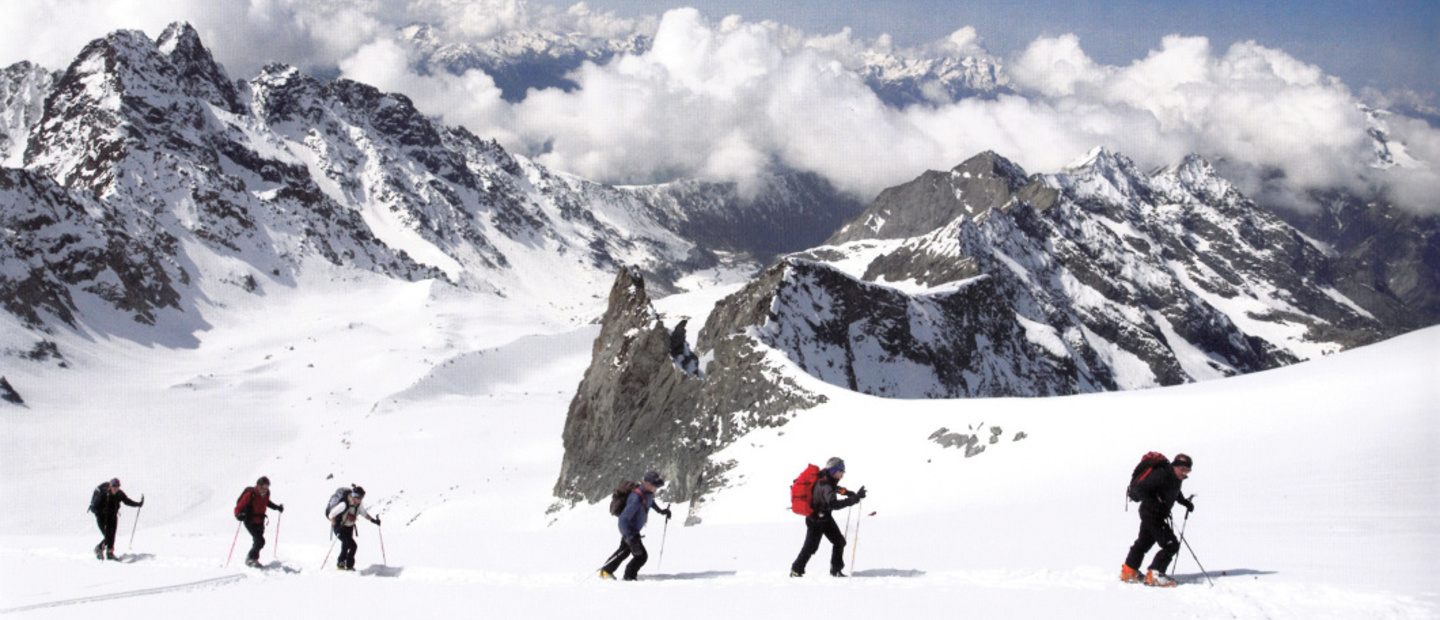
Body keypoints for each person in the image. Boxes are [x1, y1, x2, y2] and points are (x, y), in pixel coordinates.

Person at [1121, 453, 1195, 587]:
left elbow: (1174, 491)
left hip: (1154, 513)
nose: (1184, 473)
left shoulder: (1174, 477)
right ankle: (1155, 574)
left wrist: (1184, 502)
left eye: (1187, 471)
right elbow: (1140, 489)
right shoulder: (1162, 474)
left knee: (1143, 543)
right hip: (1152, 514)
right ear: (1175, 466)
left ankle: (1129, 571)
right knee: (1171, 545)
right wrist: (1156, 504)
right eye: (1182, 469)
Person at [791, 457, 865, 577]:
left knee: (839, 542)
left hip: (824, 517)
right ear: (834, 471)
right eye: (841, 471)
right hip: (816, 520)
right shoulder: (825, 484)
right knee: (810, 547)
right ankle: (796, 570)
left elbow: (836, 489)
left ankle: (836, 570)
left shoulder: (826, 479)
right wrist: (853, 499)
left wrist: (850, 493)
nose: (842, 475)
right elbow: (833, 504)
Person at [599, 471, 672, 581]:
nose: (655, 489)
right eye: (654, 486)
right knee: (641, 556)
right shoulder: (636, 499)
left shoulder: (647, 494)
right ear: (646, 483)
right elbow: (623, 519)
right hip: (629, 530)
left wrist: (661, 511)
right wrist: (630, 537)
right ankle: (629, 576)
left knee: (624, 551)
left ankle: (606, 571)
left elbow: (650, 502)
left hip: (632, 530)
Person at [235, 476, 284, 568]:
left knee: (257, 541)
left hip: (260, 520)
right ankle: (250, 558)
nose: (265, 490)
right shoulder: (251, 494)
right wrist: (238, 515)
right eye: (264, 487)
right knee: (260, 541)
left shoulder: (266, 494)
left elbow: (267, 502)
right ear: (259, 486)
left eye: (267, 487)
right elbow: (239, 506)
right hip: (249, 520)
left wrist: (277, 507)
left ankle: (254, 560)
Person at [328, 485, 380, 571]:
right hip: (340, 528)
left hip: (349, 528)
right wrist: (336, 526)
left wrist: (374, 521)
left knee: (345, 546)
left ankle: (341, 564)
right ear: (355, 496)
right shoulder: (344, 504)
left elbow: (364, 514)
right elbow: (331, 515)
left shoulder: (359, 505)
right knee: (353, 546)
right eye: (360, 497)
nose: (361, 499)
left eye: (362, 498)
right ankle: (348, 566)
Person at [88, 478, 143, 560]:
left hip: (112, 515)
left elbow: (127, 501)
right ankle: (99, 548)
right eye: (114, 486)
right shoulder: (103, 494)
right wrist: (103, 511)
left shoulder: (119, 494)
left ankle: (109, 553)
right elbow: (94, 508)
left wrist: (138, 504)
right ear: (110, 486)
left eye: (117, 486)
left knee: (112, 535)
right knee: (108, 536)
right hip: (101, 517)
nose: (116, 488)